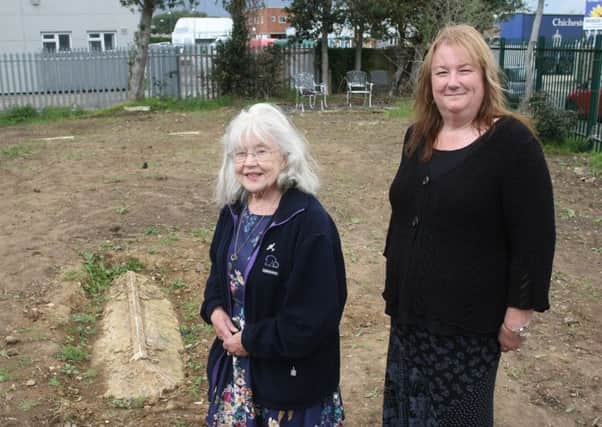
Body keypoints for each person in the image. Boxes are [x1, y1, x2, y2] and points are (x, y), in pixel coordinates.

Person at [382, 24, 556, 426]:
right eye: (441, 72)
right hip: (409, 322)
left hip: (467, 329)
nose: (452, 82)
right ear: (429, 82)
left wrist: (518, 315)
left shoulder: (512, 143)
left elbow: (535, 237)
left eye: (464, 70)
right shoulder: (417, 137)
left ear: (484, 76)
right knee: (408, 414)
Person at [200, 103, 347, 427]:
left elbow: (313, 320)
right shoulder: (233, 211)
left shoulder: (310, 224)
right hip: (236, 377)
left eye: (261, 151)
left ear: (285, 156)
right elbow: (218, 276)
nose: (249, 163)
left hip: (290, 386)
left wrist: (251, 341)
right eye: (240, 153)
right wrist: (214, 309)